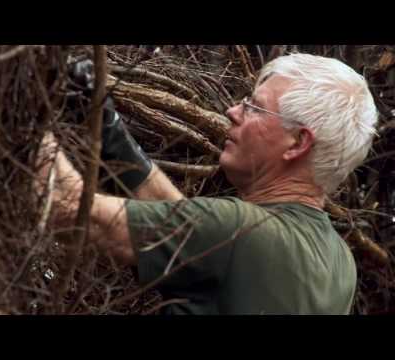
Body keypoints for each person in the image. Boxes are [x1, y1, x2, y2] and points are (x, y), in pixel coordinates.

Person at [36, 53, 378, 315]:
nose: (233, 111)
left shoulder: (239, 235)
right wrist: (115, 139)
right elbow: (201, 239)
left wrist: (23, 106)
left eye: (254, 108)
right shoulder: (338, 262)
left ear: (298, 144)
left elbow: (68, 209)